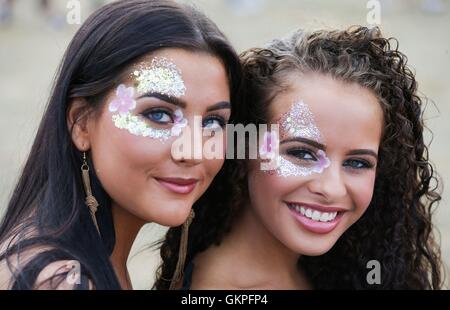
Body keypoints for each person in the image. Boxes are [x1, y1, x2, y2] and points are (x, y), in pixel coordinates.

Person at [154, 27, 443, 290]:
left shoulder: (330, 268)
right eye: (301, 153)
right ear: (242, 150)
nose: (332, 189)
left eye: (357, 163)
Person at [0, 0, 241, 290]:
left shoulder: (78, 261)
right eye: (159, 115)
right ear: (81, 123)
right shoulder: (61, 281)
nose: (194, 151)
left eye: (212, 122)